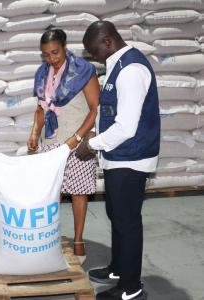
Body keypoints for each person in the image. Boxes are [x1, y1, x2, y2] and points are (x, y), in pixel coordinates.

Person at [78, 21, 160, 300]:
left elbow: (127, 127)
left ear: (108, 41)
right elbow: (113, 111)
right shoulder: (118, 63)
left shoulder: (131, 71)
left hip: (131, 158)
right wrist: (97, 132)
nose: (93, 57)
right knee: (116, 215)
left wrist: (91, 144)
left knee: (127, 222)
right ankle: (118, 269)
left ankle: (131, 288)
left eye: (94, 51)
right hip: (119, 156)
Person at [27, 28, 100, 264]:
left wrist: (77, 138)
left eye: (55, 53)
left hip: (76, 141)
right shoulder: (42, 73)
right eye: (46, 55)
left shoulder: (84, 71)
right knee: (51, 193)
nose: (51, 59)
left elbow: (95, 109)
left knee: (78, 191)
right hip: (51, 140)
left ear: (65, 47)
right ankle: (50, 240)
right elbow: (41, 108)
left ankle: (78, 240)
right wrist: (34, 133)